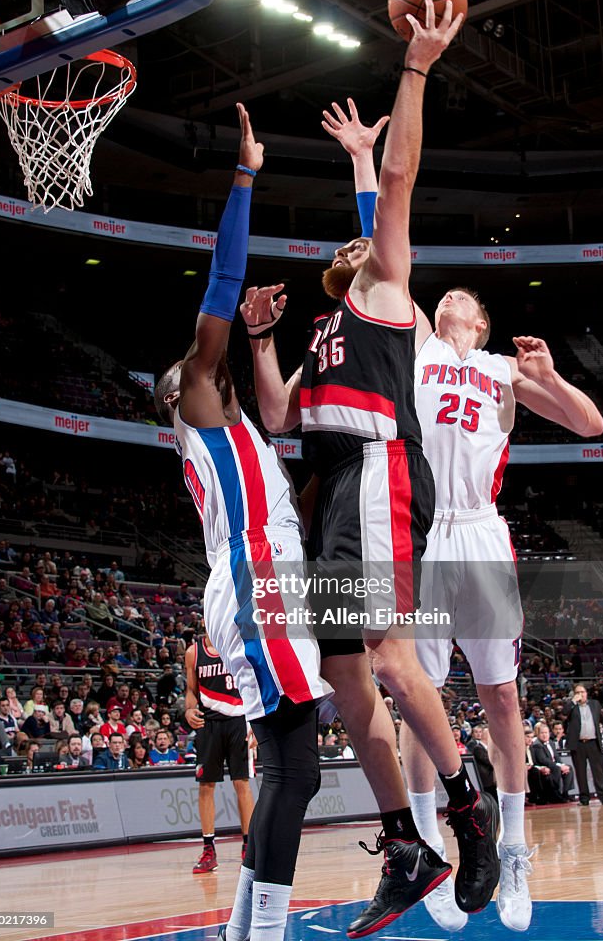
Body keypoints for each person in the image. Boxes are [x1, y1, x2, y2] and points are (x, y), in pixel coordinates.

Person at [244, 5, 503, 936]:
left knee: (389, 655)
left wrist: (417, 70)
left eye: (372, 241)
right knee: (345, 675)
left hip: (383, 474)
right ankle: (407, 842)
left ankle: (469, 807)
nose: (363, 242)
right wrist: (262, 340)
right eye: (350, 246)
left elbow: (394, 183)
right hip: (332, 496)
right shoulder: (326, 328)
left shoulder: (388, 292)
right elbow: (275, 417)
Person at [318, 99, 603, 934]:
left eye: (466, 306)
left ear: (482, 325)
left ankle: (515, 852)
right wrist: (363, 162)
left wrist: (547, 377)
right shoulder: (412, 347)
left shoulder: (502, 373)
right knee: (417, 698)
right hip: (416, 530)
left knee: (503, 698)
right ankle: (438, 850)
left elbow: (589, 426)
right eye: (442, 300)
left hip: (479, 533)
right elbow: (379, 244)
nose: (449, 304)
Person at [153, 105, 330, 941]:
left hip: (276, 579)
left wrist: (266, 338)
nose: (197, 368)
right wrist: (246, 177)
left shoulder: (245, 427)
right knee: (294, 767)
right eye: (188, 371)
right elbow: (220, 289)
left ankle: (245, 923)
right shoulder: (198, 406)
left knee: (298, 772)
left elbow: (285, 406)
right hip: (255, 578)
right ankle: (261, 928)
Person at [186, 634, 255, 873]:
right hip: (208, 723)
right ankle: (208, 849)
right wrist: (188, 710)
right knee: (206, 785)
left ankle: (249, 847)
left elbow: (254, 685)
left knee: (242, 784)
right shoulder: (194, 652)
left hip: (239, 721)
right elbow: (191, 691)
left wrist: (256, 723)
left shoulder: (239, 645)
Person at [564, 684, 603, 806]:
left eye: (583, 692)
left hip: (593, 742)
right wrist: (573, 701)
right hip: (578, 744)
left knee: (598, 772)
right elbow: (563, 713)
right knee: (580, 772)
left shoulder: (595, 704)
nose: (581, 694)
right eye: (578, 692)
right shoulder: (572, 707)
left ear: (586, 693)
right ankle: (584, 798)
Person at [530, 722, 573, 803]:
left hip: (553, 764)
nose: (544, 735)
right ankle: (555, 794)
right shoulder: (537, 745)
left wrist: (562, 764)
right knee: (556, 768)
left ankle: (565, 793)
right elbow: (543, 760)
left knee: (569, 767)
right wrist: (559, 766)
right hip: (545, 766)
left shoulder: (551, 742)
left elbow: (556, 757)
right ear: (538, 734)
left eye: (546, 733)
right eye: (542, 733)